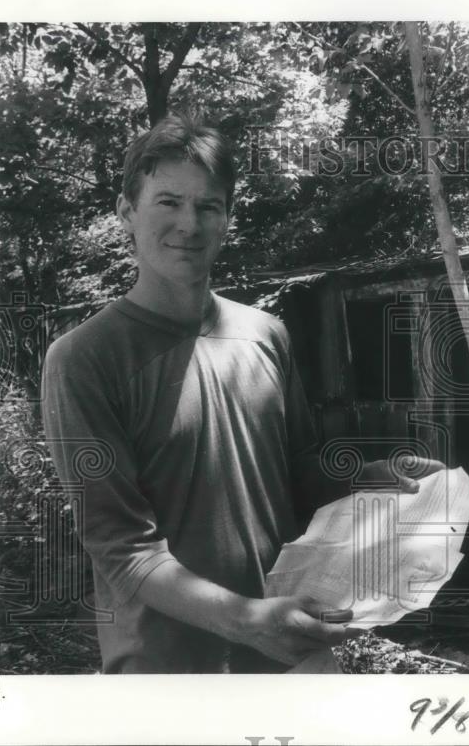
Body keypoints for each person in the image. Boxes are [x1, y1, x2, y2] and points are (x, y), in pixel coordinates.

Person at [42, 111, 442, 673]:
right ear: (127, 211)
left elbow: (297, 471)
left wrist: (365, 476)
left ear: (228, 219)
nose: (190, 223)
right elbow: (123, 549)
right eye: (168, 202)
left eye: (209, 206)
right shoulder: (84, 359)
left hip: (294, 648)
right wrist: (246, 619)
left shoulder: (264, 333)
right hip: (171, 673)